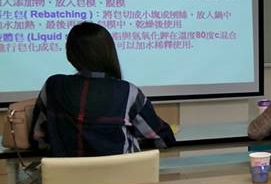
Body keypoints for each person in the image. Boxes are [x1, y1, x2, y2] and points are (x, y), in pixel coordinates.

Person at [30, 21, 175, 157]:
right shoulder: (128, 92)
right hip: (122, 174)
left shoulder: (53, 86)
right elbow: (162, 138)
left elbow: (37, 137)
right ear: (109, 53)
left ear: (70, 55)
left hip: (65, 174)